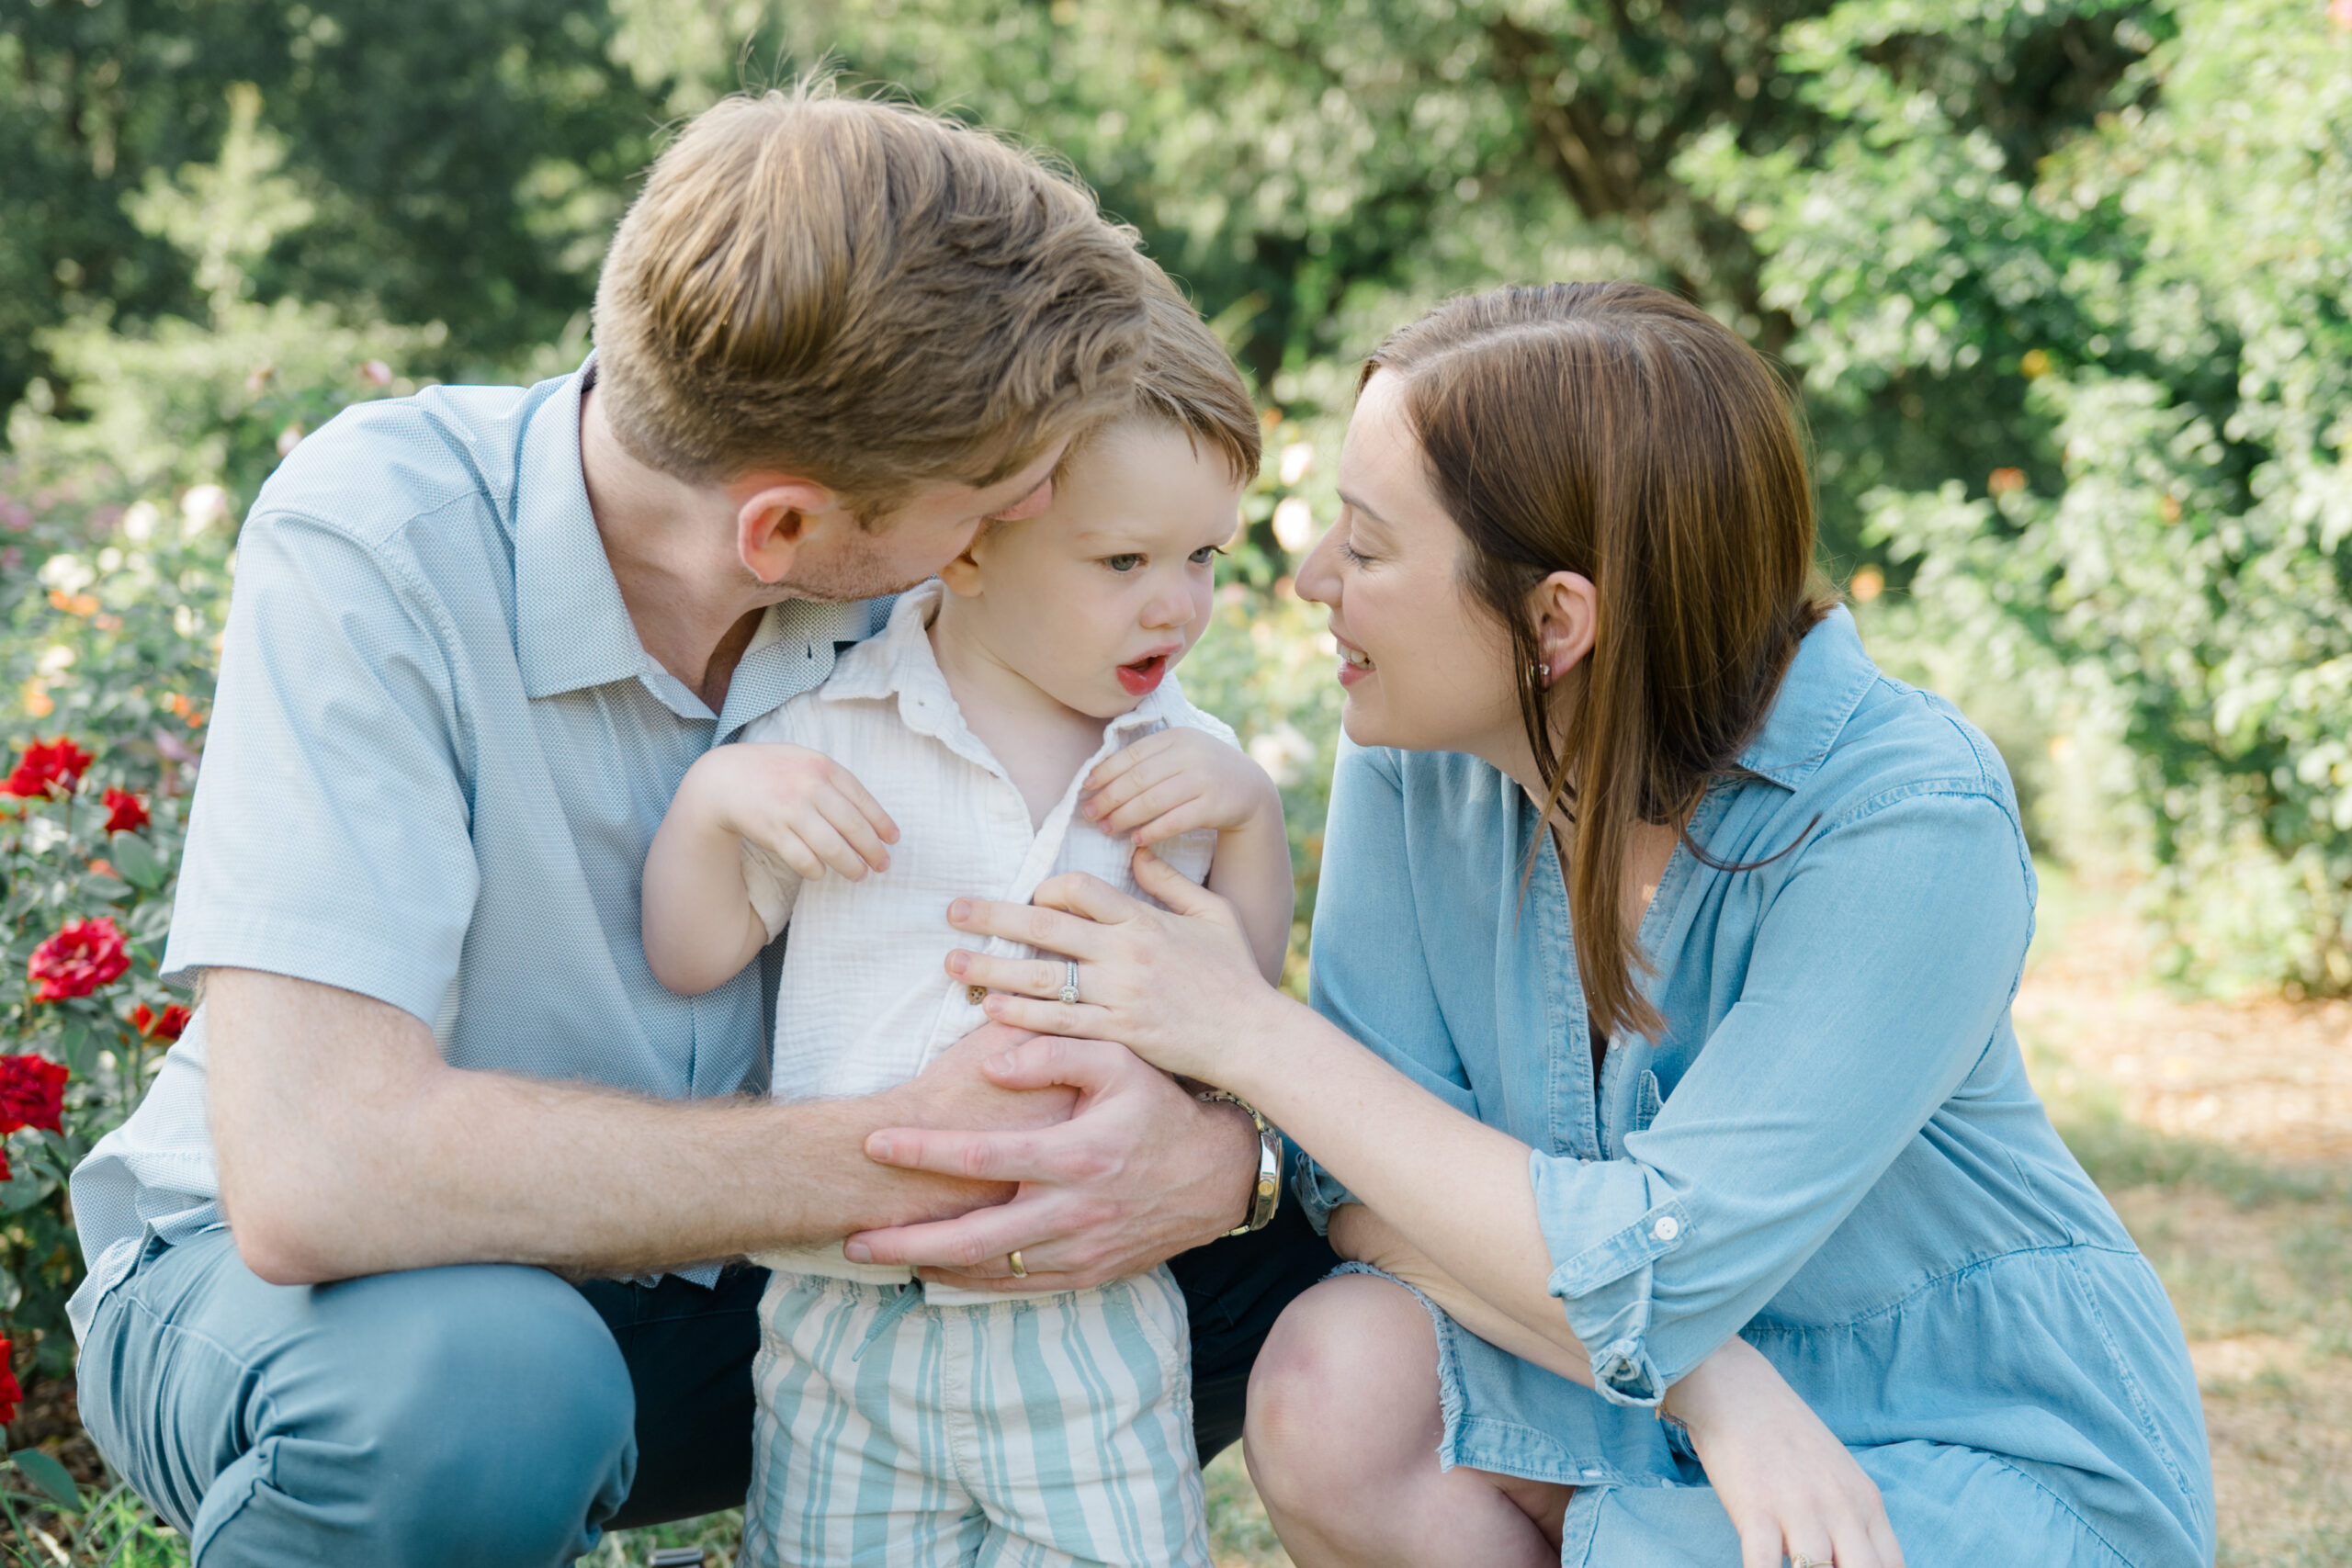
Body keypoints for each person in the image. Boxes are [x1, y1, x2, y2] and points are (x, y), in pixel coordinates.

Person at [65, 85, 1328, 1568]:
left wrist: (1215, 1165)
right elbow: (319, 1176)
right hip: (357, 1308)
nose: (1033, 512)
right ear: (783, 531)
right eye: (996, 496)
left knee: (1323, 1248)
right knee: (485, 1393)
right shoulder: (382, 538)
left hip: (781, 1296)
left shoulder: (935, 567)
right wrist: (946, 1159)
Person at [890, 283, 2217, 1568]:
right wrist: (1714, 1389)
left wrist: (1246, 1032)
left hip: (1963, 1436)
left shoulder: (1909, 821)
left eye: (1365, 543)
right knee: (1336, 1386)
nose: (1309, 580)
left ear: (1553, 621)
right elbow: (1360, 1184)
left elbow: (1642, 1261)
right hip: (1649, 1395)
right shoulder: (1425, 742)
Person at [641, 286, 1291, 1567]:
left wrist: (1255, 822)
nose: (1178, 604)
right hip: (844, 1311)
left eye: (1204, 558)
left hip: (1086, 1319)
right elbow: (691, 954)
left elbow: (1241, 1010)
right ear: (971, 546)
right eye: (1124, 562)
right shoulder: (829, 738)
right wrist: (716, 807)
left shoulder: (1184, 763)